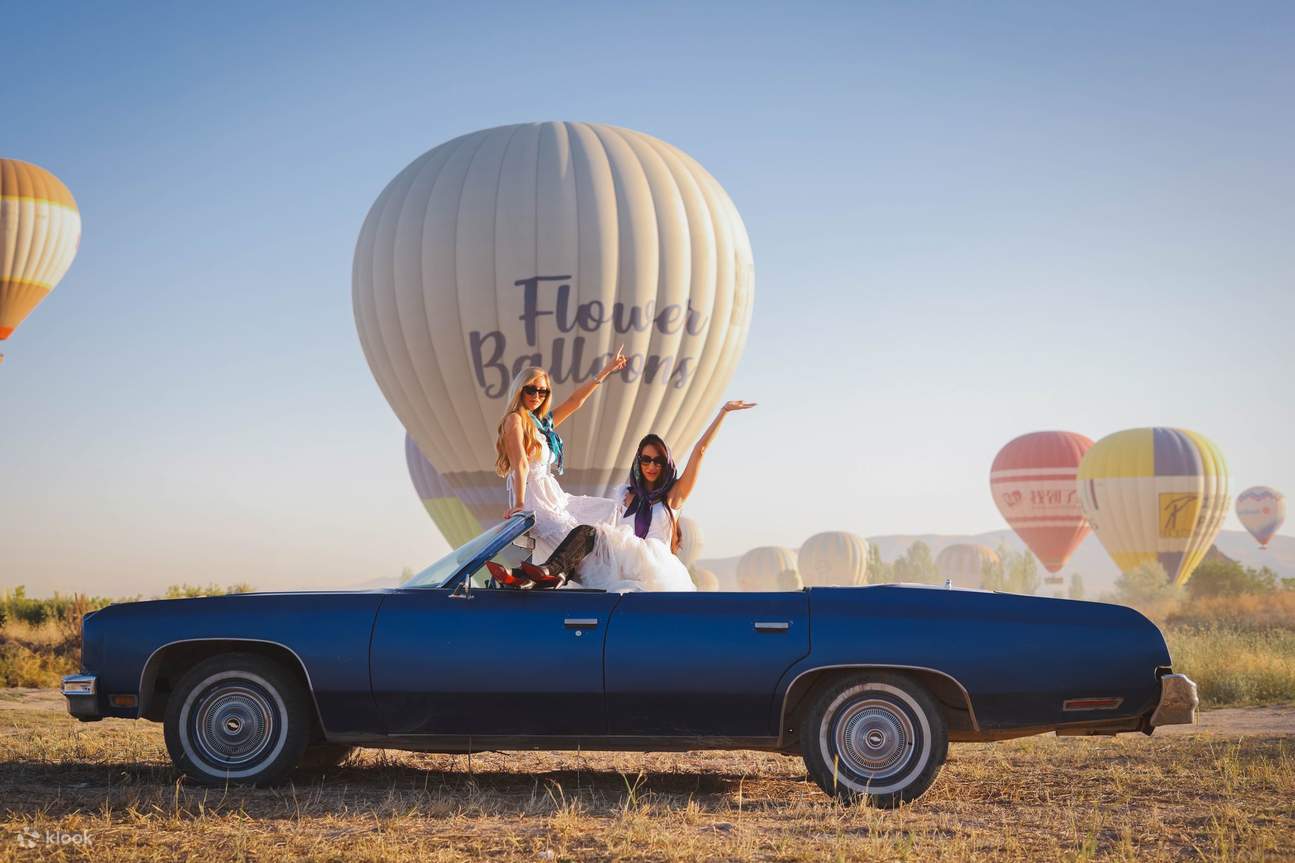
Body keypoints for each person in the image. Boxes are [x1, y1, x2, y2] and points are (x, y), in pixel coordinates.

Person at [498, 400, 756, 591]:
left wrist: (722, 413)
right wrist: (537, 502)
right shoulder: (628, 496)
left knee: (588, 533)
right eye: (645, 460)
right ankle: (527, 577)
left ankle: (547, 573)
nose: (651, 466)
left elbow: (699, 452)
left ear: (666, 464)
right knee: (580, 537)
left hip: (650, 566)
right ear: (638, 463)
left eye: (657, 461)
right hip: (619, 564)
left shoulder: (673, 498)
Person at [494, 350, 628, 563]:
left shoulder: (542, 424)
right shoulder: (515, 420)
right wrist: (519, 505)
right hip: (535, 497)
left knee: (610, 510)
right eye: (531, 390)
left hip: (553, 494)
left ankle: (617, 565)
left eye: (543, 392)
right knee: (574, 540)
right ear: (520, 390)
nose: (537, 396)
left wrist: (607, 370)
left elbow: (575, 402)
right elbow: (520, 464)